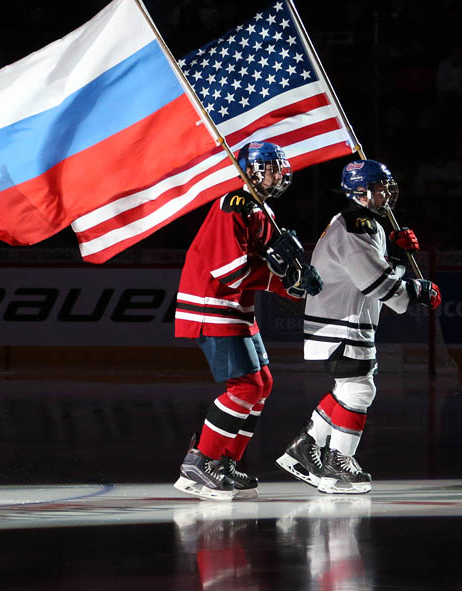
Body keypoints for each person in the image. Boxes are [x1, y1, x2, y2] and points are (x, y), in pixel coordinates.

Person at [276, 159, 441, 494]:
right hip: (343, 321)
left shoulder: (363, 224)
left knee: (348, 389)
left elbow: (368, 270)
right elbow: (375, 282)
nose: (387, 194)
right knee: (359, 390)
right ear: (361, 191)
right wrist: (418, 290)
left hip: (344, 319)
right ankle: (338, 464)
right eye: (380, 188)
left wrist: (393, 252)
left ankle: (304, 448)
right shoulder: (357, 224)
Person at [173, 141, 323, 501]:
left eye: (278, 167)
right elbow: (231, 272)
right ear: (251, 170)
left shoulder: (260, 209)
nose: (277, 173)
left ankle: (225, 461)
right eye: (270, 167)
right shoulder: (233, 205)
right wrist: (282, 280)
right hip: (212, 305)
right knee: (245, 387)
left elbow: (274, 269)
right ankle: (200, 461)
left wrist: (298, 284)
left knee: (263, 383)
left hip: (236, 309)